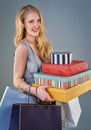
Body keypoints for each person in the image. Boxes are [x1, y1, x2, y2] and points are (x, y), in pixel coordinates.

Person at [13, 4, 54, 104]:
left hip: (48, 100)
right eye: (31, 21)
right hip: (31, 103)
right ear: (23, 24)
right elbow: (17, 81)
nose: (36, 25)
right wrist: (36, 91)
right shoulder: (23, 47)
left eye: (38, 20)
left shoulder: (43, 45)